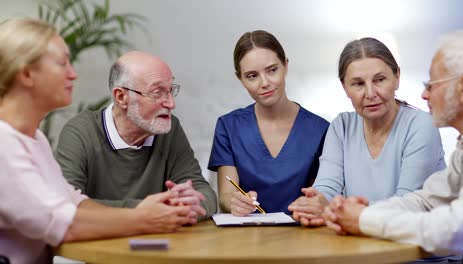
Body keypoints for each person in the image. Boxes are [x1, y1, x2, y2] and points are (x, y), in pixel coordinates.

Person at [0, 18, 202, 264]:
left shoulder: (35, 138)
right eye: (63, 63)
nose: (73, 74)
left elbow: (74, 203)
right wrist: (145, 217)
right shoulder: (4, 143)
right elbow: (62, 223)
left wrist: (151, 209)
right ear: (27, 73)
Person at [322, 30, 463, 258]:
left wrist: (362, 218)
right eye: (358, 83)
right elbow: (424, 199)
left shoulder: (420, 124)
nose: (423, 95)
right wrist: (348, 212)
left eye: (432, 85)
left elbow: (456, 229)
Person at [289, 37, 446, 227]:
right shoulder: (342, 126)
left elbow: (407, 203)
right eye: (358, 84)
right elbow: (327, 187)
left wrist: (340, 211)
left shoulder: (422, 125)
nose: (371, 93)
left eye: (379, 80)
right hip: (359, 244)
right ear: (345, 87)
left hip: (417, 252)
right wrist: (314, 202)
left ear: (397, 77)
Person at [54, 50, 217, 218]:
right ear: (121, 97)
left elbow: (205, 193)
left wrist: (191, 203)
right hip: (98, 241)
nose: (171, 103)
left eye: (170, 90)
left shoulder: (169, 128)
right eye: (157, 92)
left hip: (156, 240)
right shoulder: (80, 132)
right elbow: (68, 204)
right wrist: (153, 209)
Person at [208, 30, 329, 215]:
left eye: (272, 70)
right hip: (246, 236)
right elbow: (226, 195)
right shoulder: (228, 126)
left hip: (302, 233)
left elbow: (319, 195)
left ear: (286, 65)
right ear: (240, 79)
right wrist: (234, 202)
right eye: (252, 76)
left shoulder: (321, 130)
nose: (264, 83)